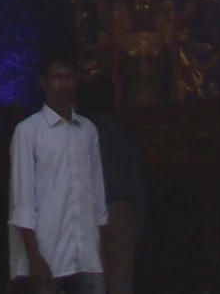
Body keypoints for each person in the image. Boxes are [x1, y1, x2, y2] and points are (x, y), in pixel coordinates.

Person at [9, 54, 108, 292]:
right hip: (47, 255)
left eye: (69, 78)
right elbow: (22, 202)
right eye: (56, 78)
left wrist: (100, 252)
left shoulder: (88, 131)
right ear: (43, 83)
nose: (63, 85)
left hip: (86, 256)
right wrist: (34, 258)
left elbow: (98, 196)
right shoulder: (28, 131)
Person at [76, 75, 146, 294]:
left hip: (88, 212)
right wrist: (140, 222)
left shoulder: (78, 136)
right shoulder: (125, 135)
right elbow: (137, 183)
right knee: (122, 284)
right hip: (121, 210)